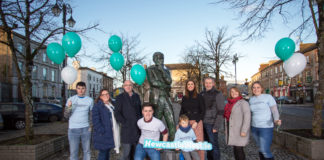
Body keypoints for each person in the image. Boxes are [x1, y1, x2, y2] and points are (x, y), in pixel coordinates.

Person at [146, 52, 176, 140]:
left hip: (166, 97)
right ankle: (156, 141)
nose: (161, 61)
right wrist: (165, 86)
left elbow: (169, 81)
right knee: (156, 121)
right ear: (154, 60)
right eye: (159, 58)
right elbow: (153, 82)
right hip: (156, 98)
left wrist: (162, 70)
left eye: (162, 58)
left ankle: (173, 140)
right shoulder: (150, 69)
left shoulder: (166, 71)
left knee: (171, 119)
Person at [249, 81, 281, 160]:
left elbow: (274, 110)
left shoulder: (268, 97)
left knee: (265, 150)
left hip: (266, 127)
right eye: (254, 87)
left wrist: (276, 119)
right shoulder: (251, 99)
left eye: (258, 87)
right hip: (254, 127)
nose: (256, 89)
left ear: (262, 88)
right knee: (260, 148)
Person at [64, 81, 93, 160]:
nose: (81, 90)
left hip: (85, 129)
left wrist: (90, 126)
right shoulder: (71, 99)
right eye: (79, 88)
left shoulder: (90, 100)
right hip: (73, 129)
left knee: (87, 151)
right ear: (76, 89)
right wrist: (69, 107)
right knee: (73, 152)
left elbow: (91, 115)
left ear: (85, 89)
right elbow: (66, 116)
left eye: (83, 88)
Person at [114, 80, 142, 160]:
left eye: (130, 85)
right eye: (126, 85)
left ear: (132, 86)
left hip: (136, 129)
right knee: (126, 154)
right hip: (126, 130)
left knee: (135, 153)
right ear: (123, 87)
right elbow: (117, 113)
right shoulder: (120, 97)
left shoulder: (137, 96)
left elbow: (140, 111)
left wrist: (140, 123)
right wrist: (124, 123)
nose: (128, 87)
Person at [200, 77, 225, 160]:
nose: (208, 84)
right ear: (204, 83)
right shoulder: (201, 94)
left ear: (213, 84)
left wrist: (216, 126)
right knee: (207, 145)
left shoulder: (218, 94)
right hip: (203, 123)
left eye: (210, 83)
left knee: (214, 145)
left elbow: (221, 111)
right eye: (206, 82)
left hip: (212, 123)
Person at [92, 89, 120, 160]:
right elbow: (95, 122)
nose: (106, 96)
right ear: (100, 96)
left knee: (107, 153)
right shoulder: (97, 106)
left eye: (107, 94)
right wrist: (102, 131)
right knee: (103, 154)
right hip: (103, 135)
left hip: (111, 133)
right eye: (103, 94)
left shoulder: (112, 105)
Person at [180, 80, 205, 160]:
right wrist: (180, 122)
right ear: (186, 86)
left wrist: (197, 122)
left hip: (197, 122)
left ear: (194, 86)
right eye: (188, 84)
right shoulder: (184, 98)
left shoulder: (199, 96)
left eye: (192, 84)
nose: (190, 85)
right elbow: (182, 111)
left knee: (198, 143)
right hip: (186, 123)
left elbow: (203, 111)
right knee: (188, 144)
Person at [224, 87, 251, 160]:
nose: (234, 93)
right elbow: (227, 118)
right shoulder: (229, 103)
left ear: (239, 92)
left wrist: (244, 130)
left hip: (239, 129)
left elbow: (247, 117)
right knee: (235, 149)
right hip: (232, 129)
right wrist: (226, 129)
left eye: (235, 91)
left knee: (239, 149)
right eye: (232, 92)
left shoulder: (243, 103)